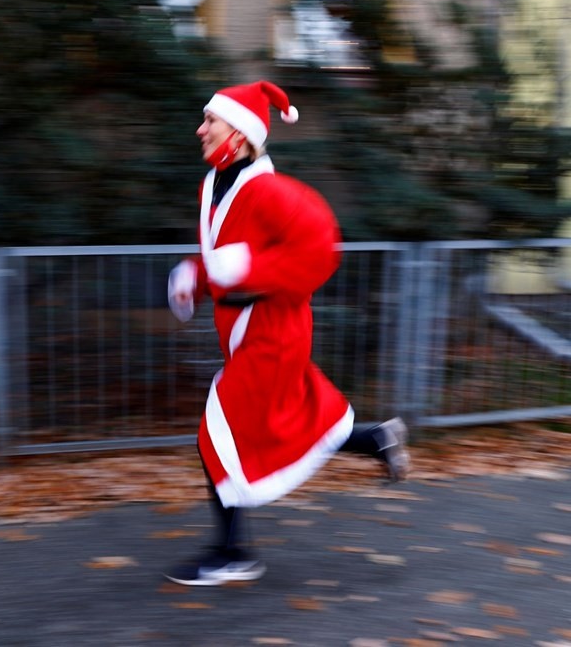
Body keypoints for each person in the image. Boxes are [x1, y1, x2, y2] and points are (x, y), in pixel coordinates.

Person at [164, 80, 410, 587]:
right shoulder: (212, 187)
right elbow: (224, 259)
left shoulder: (270, 189)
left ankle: (232, 553)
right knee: (293, 420)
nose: (200, 130)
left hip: (274, 335)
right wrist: (196, 275)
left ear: (241, 132)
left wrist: (247, 267)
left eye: (211, 121)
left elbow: (320, 249)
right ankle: (377, 439)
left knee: (217, 435)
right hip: (249, 336)